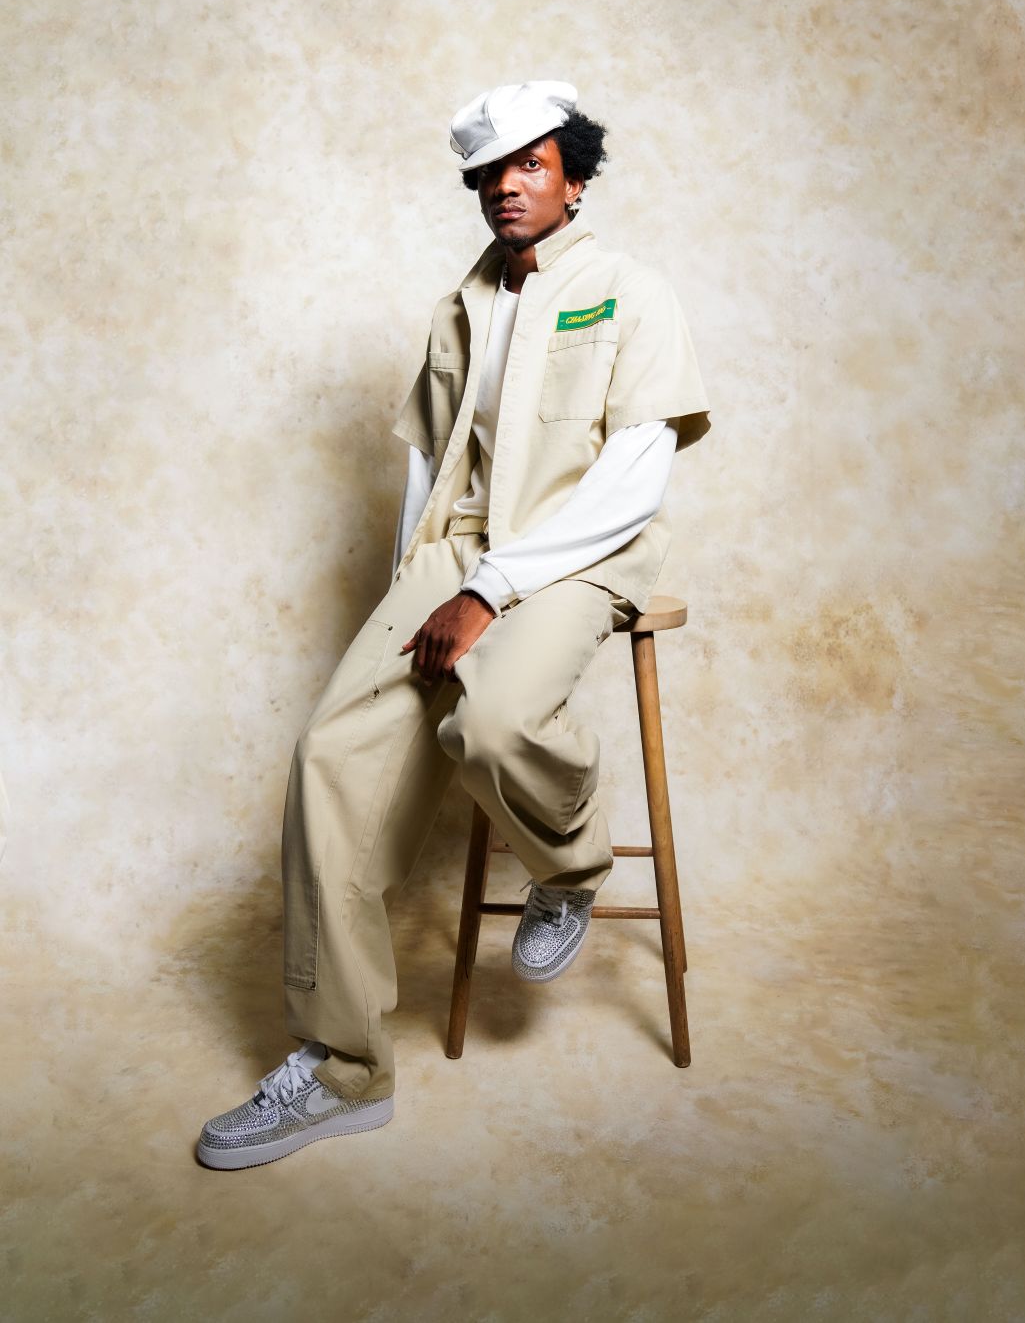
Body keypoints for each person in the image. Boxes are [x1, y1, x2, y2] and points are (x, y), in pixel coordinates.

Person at [197, 80, 710, 1170]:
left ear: (575, 179)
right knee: (327, 760)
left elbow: (634, 476)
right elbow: (429, 470)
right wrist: (414, 593)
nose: (506, 187)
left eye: (531, 165)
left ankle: (568, 866)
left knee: (487, 724)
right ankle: (341, 1070)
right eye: (489, 173)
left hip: (577, 550)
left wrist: (492, 591)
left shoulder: (630, 293)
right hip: (452, 552)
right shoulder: (458, 306)